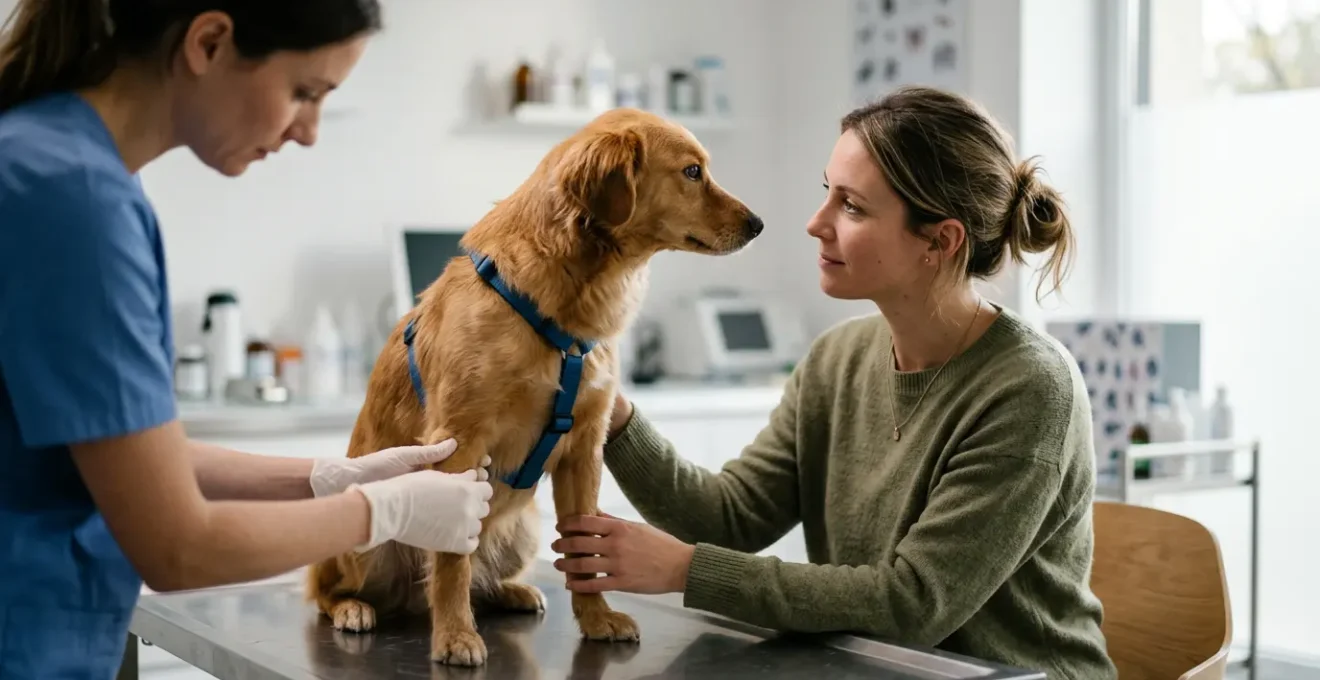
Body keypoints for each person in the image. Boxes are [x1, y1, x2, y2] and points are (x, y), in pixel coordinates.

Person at [552, 85, 1119, 679]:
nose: (815, 224)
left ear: (940, 241)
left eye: (852, 206)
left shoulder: (1030, 389)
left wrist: (684, 570)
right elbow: (730, 517)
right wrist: (609, 413)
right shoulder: (837, 358)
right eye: (829, 193)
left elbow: (912, 603)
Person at [0, 2, 493, 678]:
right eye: (303, 92)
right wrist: (383, 511)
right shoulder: (76, 200)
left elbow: (121, 451)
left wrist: (325, 478)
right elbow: (177, 547)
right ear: (209, 42)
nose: (310, 132)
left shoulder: (54, 159)